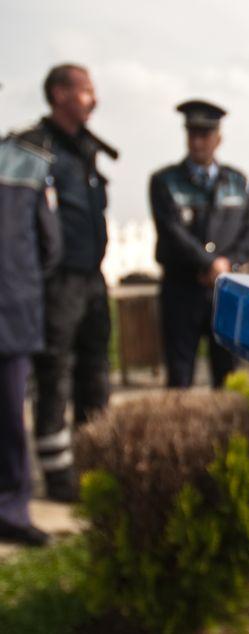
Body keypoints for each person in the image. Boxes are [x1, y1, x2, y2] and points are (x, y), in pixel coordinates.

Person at [19, 64, 118, 502]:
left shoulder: (86, 149)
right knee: (54, 374)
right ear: (60, 94)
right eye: (85, 91)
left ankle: (93, 461)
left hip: (92, 279)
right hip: (56, 283)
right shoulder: (34, 147)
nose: (93, 99)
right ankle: (58, 474)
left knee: (95, 372)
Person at [150, 100, 249, 388]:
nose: (197, 142)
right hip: (182, 291)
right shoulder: (165, 182)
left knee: (229, 378)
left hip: (225, 292)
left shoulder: (237, 181)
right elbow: (172, 232)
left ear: (218, 138)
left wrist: (227, 264)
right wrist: (209, 263)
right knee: (179, 379)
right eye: (192, 134)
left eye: (205, 134)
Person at [0, 114, 63, 545]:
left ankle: (11, 509)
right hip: (11, 305)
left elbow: (49, 246)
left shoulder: (28, 162)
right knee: (9, 416)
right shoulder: (25, 160)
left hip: (10, 312)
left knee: (10, 416)